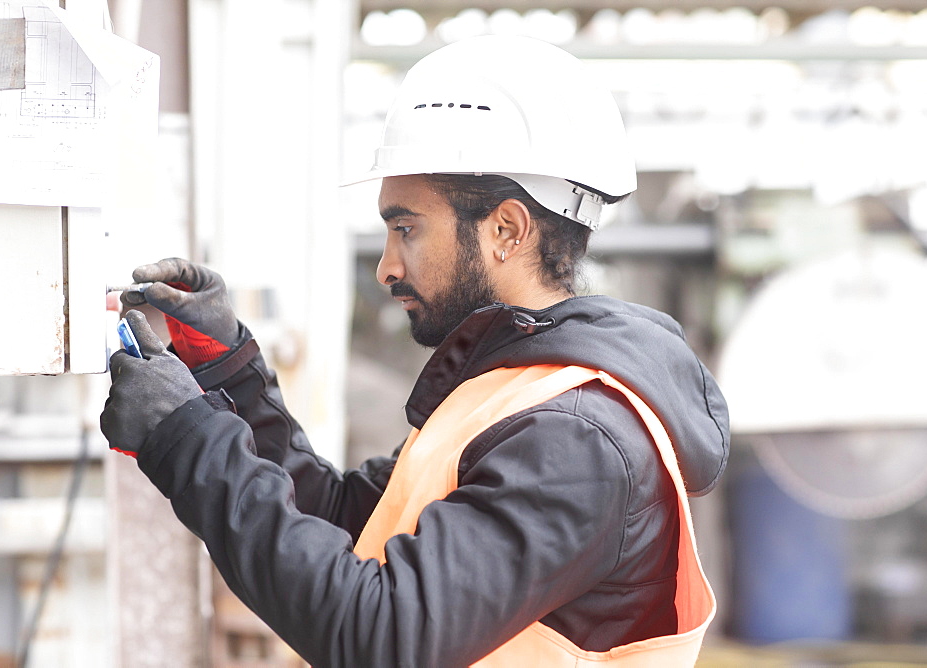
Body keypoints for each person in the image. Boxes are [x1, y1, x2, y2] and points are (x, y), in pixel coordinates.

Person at [101, 35, 729, 667]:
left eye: (406, 228)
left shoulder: (576, 438)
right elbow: (347, 522)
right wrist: (226, 369)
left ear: (505, 230)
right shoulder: (507, 395)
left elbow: (383, 636)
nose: (386, 267)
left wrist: (185, 436)